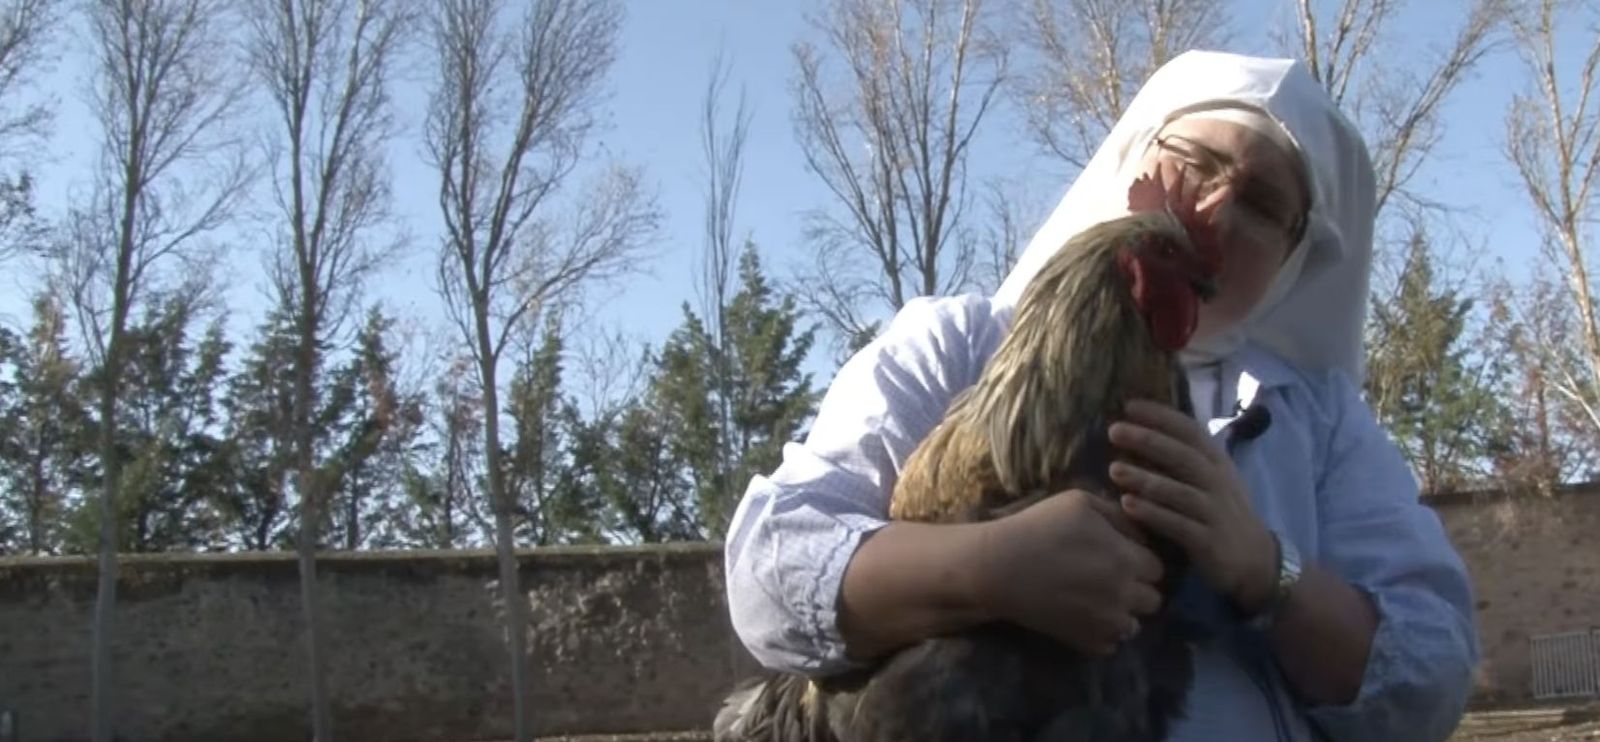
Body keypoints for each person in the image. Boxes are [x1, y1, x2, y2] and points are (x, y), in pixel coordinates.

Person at [721, 49, 1478, 741]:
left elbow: (1431, 682)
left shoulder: (1323, 422)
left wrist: (1264, 567)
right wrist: (984, 568)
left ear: (1295, 253)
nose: (1216, 210)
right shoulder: (954, 345)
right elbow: (769, 567)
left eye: (1261, 202)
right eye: (1197, 162)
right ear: (1137, 161)